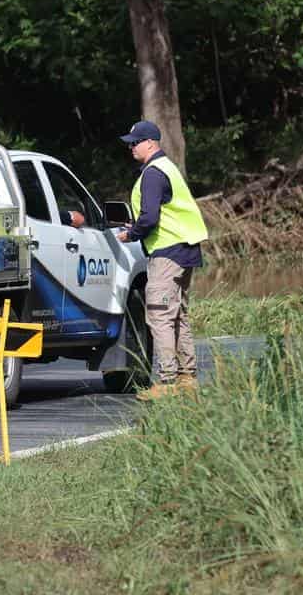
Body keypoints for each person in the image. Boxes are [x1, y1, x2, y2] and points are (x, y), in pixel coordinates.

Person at [115, 121, 209, 400]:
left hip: (168, 252)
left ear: (151, 143)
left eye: (135, 142)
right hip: (185, 250)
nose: (131, 147)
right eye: (130, 142)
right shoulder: (167, 167)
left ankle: (167, 381)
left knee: (159, 314)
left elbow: (150, 217)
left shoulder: (154, 173)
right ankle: (187, 378)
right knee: (178, 314)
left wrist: (131, 233)